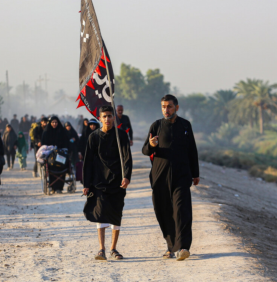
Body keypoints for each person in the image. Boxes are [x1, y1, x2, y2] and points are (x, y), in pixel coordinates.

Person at [142, 94, 199, 261]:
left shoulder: (185, 126)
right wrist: (152, 145)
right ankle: (170, 246)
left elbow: (192, 152)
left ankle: (183, 247)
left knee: (182, 211)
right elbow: (145, 150)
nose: (166, 110)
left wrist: (195, 173)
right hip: (160, 177)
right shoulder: (157, 125)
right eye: (163, 107)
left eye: (169, 107)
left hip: (181, 176)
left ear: (177, 108)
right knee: (163, 211)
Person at [82, 106, 132, 261]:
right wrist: (86, 183)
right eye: (104, 116)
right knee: (101, 214)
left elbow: (127, 158)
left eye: (110, 116)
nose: (108, 119)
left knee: (116, 214)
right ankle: (101, 249)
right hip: (99, 181)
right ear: (100, 118)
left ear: (114, 117)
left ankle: (113, 248)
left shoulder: (121, 136)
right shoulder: (94, 137)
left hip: (117, 181)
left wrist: (127, 176)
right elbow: (88, 161)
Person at [41, 116, 69, 194]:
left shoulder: (62, 131)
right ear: (50, 123)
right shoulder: (46, 132)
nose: (54, 124)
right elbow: (44, 144)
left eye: (56, 122)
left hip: (61, 154)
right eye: (53, 122)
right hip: (51, 155)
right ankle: (53, 187)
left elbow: (66, 142)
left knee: (62, 168)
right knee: (51, 169)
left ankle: (59, 188)